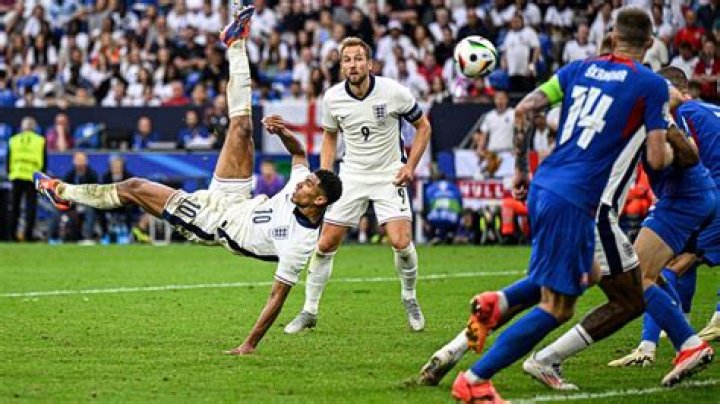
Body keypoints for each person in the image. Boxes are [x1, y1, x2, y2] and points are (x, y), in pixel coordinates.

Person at [34, 6, 342, 355]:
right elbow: (299, 155)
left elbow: (277, 297)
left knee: (135, 187)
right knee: (242, 127)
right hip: (237, 198)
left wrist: (249, 344)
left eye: (308, 186)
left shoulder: (300, 243)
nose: (300, 184)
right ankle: (236, 42)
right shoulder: (300, 188)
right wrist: (283, 133)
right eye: (305, 181)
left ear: (319, 201)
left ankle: (62, 192)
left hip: (214, 223)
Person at [445, 9, 684, 401]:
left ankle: (497, 304)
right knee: (558, 307)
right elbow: (657, 160)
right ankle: (474, 380)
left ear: (612, 37)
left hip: (545, 184)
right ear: (651, 43)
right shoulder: (650, 84)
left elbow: (525, 108)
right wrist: (678, 153)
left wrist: (521, 169)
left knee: (588, 273)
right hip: (577, 197)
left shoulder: (577, 69)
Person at [282, 36, 432, 334]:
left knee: (401, 242)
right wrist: (325, 177)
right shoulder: (332, 98)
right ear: (341, 66)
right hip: (351, 175)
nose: (353, 65)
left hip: (389, 174)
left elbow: (423, 127)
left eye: (358, 59)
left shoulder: (394, 92)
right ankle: (309, 310)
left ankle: (409, 297)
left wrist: (410, 166)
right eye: (347, 60)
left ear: (369, 64)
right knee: (325, 244)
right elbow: (329, 136)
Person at [609, 67, 720, 364]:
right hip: (709, 194)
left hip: (709, 195)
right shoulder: (710, 109)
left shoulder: (682, 112)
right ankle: (689, 332)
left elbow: (688, 155)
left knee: (663, 267)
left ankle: (650, 346)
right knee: (683, 263)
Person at [47, 151, 99, 244]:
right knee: (56, 210)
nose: (80, 163)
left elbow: (95, 193)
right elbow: (62, 192)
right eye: (78, 160)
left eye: (82, 160)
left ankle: (87, 237)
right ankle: (52, 237)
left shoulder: (92, 175)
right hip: (72, 203)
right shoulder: (69, 175)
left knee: (90, 210)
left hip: (87, 203)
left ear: (86, 161)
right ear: (74, 162)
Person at [8, 117, 46, 242]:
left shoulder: (13, 140)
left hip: (16, 175)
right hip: (32, 177)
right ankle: (28, 235)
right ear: (34, 127)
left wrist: (10, 173)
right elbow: (44, 161)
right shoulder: (40, 141)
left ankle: (12, 235)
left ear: (22, 127)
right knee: (31, 207)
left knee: (15, 207)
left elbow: (8, 159)